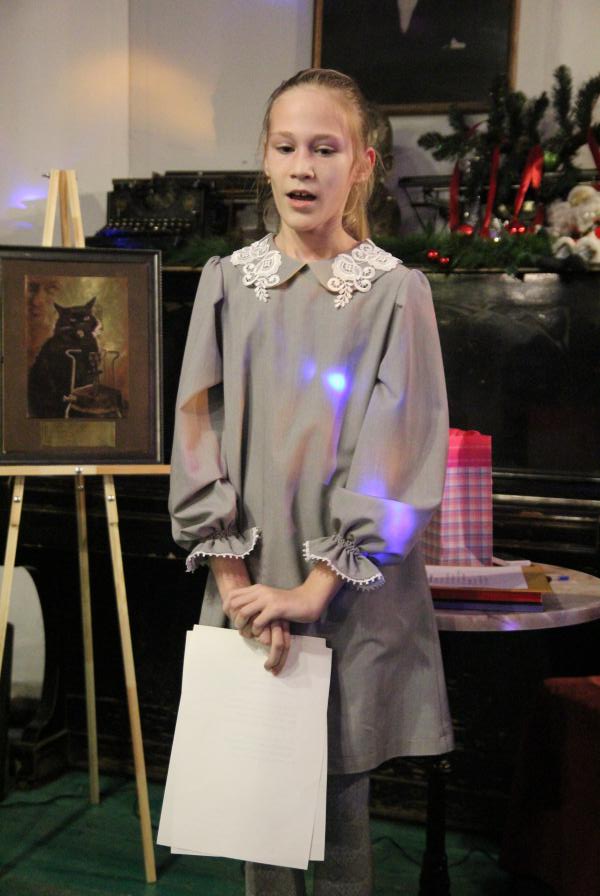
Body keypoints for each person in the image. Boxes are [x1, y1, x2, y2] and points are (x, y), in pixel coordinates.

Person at [168, 67, 453, 896]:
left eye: (325, 149)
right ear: (264, 157)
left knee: (338, 811)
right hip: (251, 580)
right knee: (261, 808)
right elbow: (198, 430)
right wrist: (242, 591)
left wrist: (313, 591)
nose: (303, 167)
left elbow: (397, 451)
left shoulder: (395, 294)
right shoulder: (227, 283)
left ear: (361, 164)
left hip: (349, 593)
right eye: (286, 147)